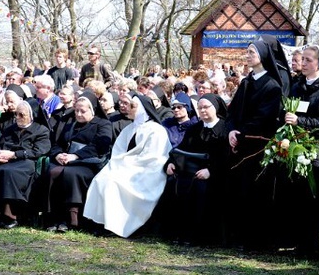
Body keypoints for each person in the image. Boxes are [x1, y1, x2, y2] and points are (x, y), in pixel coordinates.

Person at [226, 36, 289, 249]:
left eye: (252, 52)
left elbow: (264, 117)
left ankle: (256, 241)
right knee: (239, 191)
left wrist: (240, 134)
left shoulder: (272, 85)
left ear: (262, 56)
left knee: (256, 193)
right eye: (247, 52)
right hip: (240, 143)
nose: (248, 56)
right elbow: (233, 111)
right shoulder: (245, 82)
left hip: (257, 146)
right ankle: (240, 237)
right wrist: (231, 130)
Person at [83, 93, 171, 237]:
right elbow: (118, 151)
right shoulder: (130, 129)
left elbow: (152, 157)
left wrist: (125, 164)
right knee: (101, 179)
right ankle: (101, 222)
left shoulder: (156, 130)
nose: (128, 109)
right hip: (126, 167)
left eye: (133, 106)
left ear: (142, 109)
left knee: (114, 183)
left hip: (148, 172)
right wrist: (120, 164)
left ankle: (117, 226)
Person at [282, 45, 319, 251]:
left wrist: (301, 121)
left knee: (313, 197)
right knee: (296, 196)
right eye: (302, 59)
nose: (304, 63)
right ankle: (298, 241)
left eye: (308, 60)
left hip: (318, 148)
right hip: (296, 145)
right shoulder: (298, 85)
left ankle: (315, 244)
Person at [162, 94, 229, 245]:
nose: (202, 111)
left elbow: (227, 157)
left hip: (216, 174)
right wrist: (171, 163)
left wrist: (211, 171)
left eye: (206, 107)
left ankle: (199, 237)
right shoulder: (194, 129)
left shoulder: (225, 129)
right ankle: (177, 234)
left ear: (216, 108)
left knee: (201, 188)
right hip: (192, 172)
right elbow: (181, 149)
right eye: (199, 108)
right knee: (173, 184)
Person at [44, 93, 112, 232]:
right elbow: (58, 143)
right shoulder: (71, 123)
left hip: (89, 163)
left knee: (70, 174)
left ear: (92, 110)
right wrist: (58, 155)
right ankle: (54, 218)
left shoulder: (103, 124)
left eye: (83, 111)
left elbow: (100, 145)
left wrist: (76, 156)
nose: (79, 114)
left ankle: (72, 220)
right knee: (52, 172)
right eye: (76, 110)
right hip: (67, 160)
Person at [0, 100, 51, 229]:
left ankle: (11, 216)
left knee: (8, 172)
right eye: (16, 114)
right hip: (4, 160)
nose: (17, 117)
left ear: (31, 115)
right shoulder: (10, 128)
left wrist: (13, 155)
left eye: (21, 115)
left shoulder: (41, 130)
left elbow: (39, 150)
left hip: (25, 162)